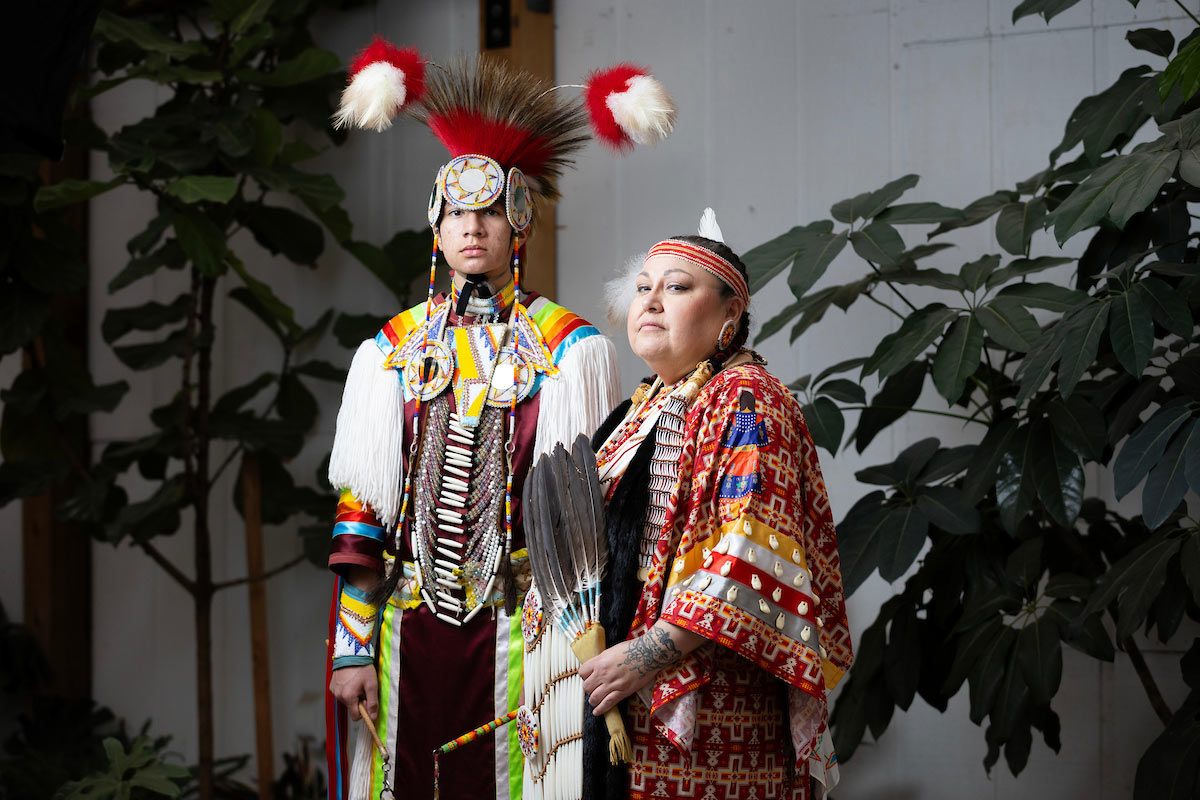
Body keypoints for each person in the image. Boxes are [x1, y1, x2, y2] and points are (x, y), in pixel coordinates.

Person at [321, 40, 674, 800]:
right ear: (436, 226)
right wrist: (352, 648)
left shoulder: (569, 349)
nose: (471, 227)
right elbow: (363, 514)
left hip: (529, 633)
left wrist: (591, 639)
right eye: (456, 211)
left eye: (488, 211)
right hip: (406, 628)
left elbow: (586, 520)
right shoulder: (388, 351)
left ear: (519, 223)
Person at [578, 211, 854, 800]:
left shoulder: (750, 401)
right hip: (623, 690)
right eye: (643, 287)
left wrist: (645, 654)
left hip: (713, 705)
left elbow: (751, 552)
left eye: (676, 287)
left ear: (731, 315)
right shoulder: (647, 404)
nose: (650, 301)